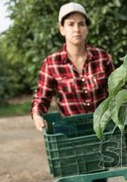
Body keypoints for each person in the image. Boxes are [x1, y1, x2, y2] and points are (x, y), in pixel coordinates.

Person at [30, 2, 115, 131]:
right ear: (62, 29)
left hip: (103, 128)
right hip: (71, 132)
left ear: (87, 28)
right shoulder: (51, 63)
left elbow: (115, 93)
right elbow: (42, 98)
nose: (77, 29)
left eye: (81, 24)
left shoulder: (102, 58)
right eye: (71, 24)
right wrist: (37, 115)